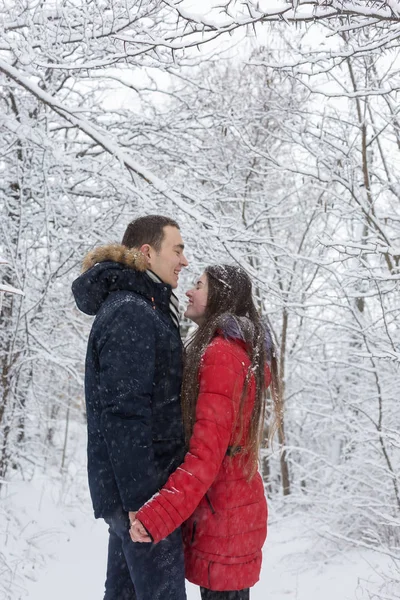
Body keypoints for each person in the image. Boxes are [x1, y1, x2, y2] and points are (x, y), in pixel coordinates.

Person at [130, 265, 282, 600]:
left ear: (220, 296)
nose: (188, 290)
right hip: (231, 514)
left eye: (198, 285)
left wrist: (157, 516)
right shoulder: (237, 352)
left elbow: (205, 457)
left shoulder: (221, 355)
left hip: (223, 520)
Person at [71, 215, 189, 600]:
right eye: (178, 249)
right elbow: (125, 413)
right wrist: (143, 503)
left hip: (135, 495)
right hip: (144, 498)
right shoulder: (132, 312)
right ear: (147, 252)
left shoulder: (143, 308)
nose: (184, 260)